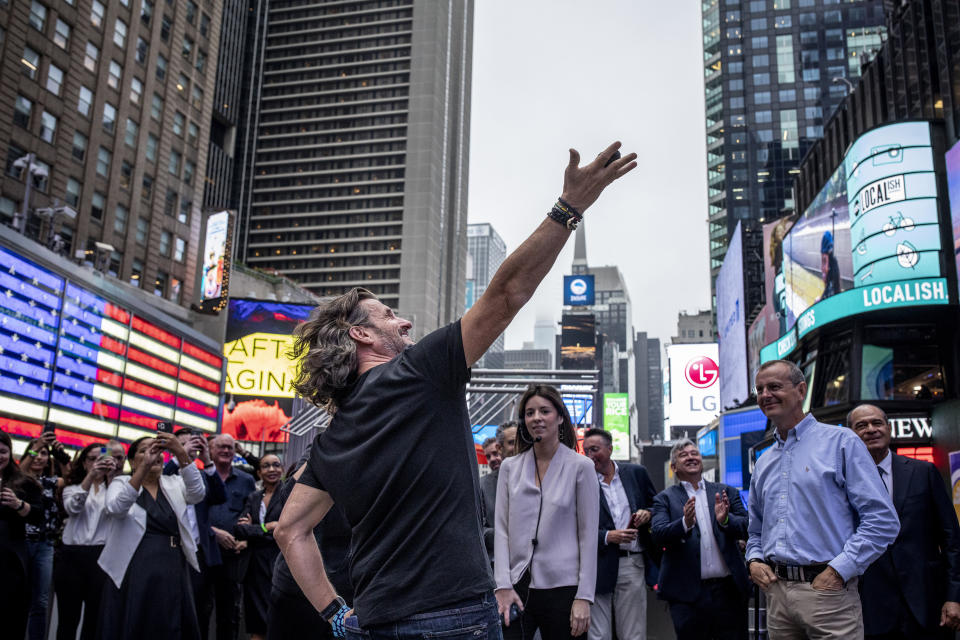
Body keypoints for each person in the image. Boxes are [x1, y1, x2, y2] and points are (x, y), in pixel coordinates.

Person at [275, 142, 635, 640]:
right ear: (360, 334)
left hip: (376, 622)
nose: (404, 321)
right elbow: (507, 294)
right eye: (387, 316)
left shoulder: (333, 437)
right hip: (456, 618)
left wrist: (336, 613)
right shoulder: (416, 374)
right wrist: (568, 208)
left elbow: (289, 530)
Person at [747, 360, 900, 639]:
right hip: (777, 597)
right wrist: (754, 560)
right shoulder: (764, 462)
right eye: (760, 389)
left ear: (801, 389)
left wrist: (839, 571)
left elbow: (882, 520)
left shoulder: (842, 442)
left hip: (828, 595)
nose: (765, 394)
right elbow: (756, 530)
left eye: (774, 387)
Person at [495, 385, 600, 640]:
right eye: (530, 413)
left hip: (565, 588)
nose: (536, 418)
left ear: (560, 417)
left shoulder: (581, 467)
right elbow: (501, 530)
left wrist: (584, 597)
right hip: (517, 586)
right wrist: (502, 586)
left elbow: (588, 536)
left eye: (545, 411)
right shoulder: (510, 467)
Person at [849, 403, 960, 639]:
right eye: (861, 425)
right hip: (870, 609)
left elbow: (951, 539)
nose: (871, 429)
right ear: (851, 435)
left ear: (888, 429)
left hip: (927, 603)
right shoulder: (841, 483)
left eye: (877, 423)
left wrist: (954, 597)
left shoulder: (924, 472)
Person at [98, 433, 206, 640]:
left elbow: (198, 493)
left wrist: (181, 452)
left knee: (170, 619)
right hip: (136, 564)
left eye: (158, 450)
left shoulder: (174, 483)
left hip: (172, 562)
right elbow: (116, 508)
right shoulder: (121, 483)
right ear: (132, 460)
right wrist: (142, 471)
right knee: (137, 618)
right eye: (145, 450)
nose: (153, 454)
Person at [651, 439, 750, 640]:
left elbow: (748, 527)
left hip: (728, 591)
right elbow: (658, 535)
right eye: (683, 455)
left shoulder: (725, 492)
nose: (691, 457)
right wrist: (685, 523)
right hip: (686, 596)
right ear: (673, 467)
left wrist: (725, 520)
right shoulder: (665, 498)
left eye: (694, 453)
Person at [267, 450, 354, 640]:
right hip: (296, 587)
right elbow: (288, 511)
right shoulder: (321, 451)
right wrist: (334, 441)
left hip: (347, 588)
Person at [582, 428, 657, 640]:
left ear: (610, 449)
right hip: (597, 564)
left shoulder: (636, 473)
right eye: (586, 451)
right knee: (598, 635)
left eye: (594, 449)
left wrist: (647, 513)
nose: (589, 456)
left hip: (631, 563)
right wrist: (607, 536)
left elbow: (657, 505)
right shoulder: (582, 481)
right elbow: (575, 528)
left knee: (633, 633)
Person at [164, 428, 227, 640]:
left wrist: (207, 460)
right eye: (182, 444)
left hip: (199, 553)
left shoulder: (201, 476)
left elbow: (220, 496)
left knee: (199, 609)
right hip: (170, 550)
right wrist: (178, 456)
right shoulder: (165, 473)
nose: (188, 449)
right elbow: (160, 482)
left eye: (192, 444)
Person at [55, 442, 117, 640]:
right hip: (71, 556)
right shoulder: (71, 488)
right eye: (92, 459)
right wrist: (91, 477)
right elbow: (73, 508)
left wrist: (112, 477)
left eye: (102, 458)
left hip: (100, 556)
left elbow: (120, 509)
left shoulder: (114, 489)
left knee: (95, 618)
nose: (97, 463)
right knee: (68, 618)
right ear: (83, 463)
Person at [206, 433, 256, 640]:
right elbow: (190, 515)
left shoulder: (246, 480)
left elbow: (253, 513)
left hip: (233, 554)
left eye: (230, 447)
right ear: (210, 450)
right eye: (221, 447)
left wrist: (246, 539)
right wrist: (213, 532)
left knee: (230, 612)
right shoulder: (200, 477)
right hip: (205, 552)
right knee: (201, 607)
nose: (226, 451)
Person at [234, 454, 286, 640]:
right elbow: (239, 530)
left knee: (278, 619)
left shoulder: (288, 494)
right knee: (257, 622)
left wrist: (253, 529)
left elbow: (283, 528)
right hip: (254, 565)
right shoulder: (254, 497)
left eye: (275, 465)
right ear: (259, 472)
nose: (271, 469)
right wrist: (265, 527)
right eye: (266, 466)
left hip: (279, 561)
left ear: (282, 469)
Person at [19, 437, 66, 640]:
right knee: (16, 595)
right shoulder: (19, 480)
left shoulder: (51, 482)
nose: (39, 457)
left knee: (40, 601)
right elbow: (21, 471)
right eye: (35, 453)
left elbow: (72, 478)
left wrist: (60, 455)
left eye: (43, 454)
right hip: (20, 542)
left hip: (45, 545)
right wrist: (36, 447)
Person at [0, 430, 44, 639]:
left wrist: (18, 505)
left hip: (10, 560)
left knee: (10, 615)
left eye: (2, 451)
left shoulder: (23, 481)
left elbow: (38, 516)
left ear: (10, 452)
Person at [480, 436, 503, 563]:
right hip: (495, 560)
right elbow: (480, 528)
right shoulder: (483, 485)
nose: (493, 459)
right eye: (488, 456)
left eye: (495, 453)